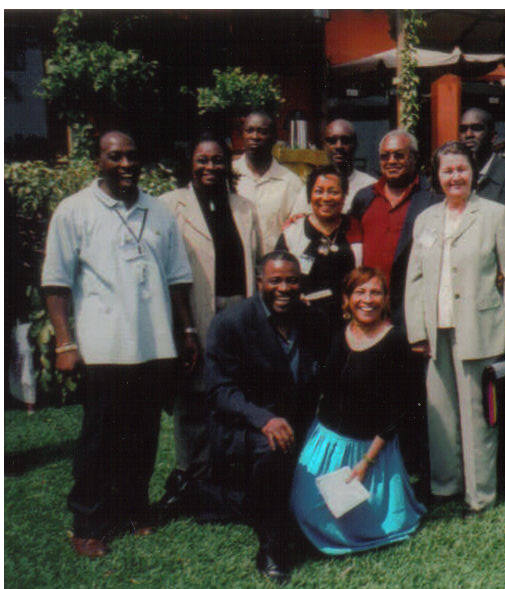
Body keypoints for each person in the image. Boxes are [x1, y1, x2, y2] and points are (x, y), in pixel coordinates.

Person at [41, 130, 198, 557]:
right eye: (115, 157)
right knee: (99, 439)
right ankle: (87, 521)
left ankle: (133, 508)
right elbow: (56, 283)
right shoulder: (74, 210)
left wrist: (186, 331)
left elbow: (178, 278)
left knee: (143, 435)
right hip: (102, 347)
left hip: (154, 345)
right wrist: (64, 343)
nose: (126, 164)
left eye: (132, 156)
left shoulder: (159, 211)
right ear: (98, 162)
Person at [405, 140, 505, 512]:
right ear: (436, 176)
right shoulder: (426, 219)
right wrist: (416, 331)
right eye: (447, 170)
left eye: (461, 169)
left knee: (478, 417)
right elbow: (415, 279)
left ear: (473, 173)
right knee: (440, 414)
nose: (455, 176)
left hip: (480, 329)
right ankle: (445, 486)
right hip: (435, 332)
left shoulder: (495, 215)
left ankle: (481, 494)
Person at [204, 251, 330, 584]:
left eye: (292, 280)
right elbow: (219, 390)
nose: (284, 288)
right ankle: (273, 547)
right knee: (274, 447)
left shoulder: (312, 320)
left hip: (298, 422)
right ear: (260, 281)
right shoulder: (232, 323)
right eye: (275, 280)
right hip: (244, 427)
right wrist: (263, 419)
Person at [158, 132, 262, 514]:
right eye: (203, 160)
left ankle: (228, 473)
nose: (210, 167)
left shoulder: (245, 207)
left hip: (237, 312)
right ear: (191, 162)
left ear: (228, 164)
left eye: (218, 160)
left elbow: (260, 259)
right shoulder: (170, 206)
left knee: (235, 391)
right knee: (193, 395)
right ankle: (191, 474)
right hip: (195, 312)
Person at [291, 266, 426, 554]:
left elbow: (400, 410)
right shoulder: (337, 333)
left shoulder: (396, 342)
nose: (368, 300)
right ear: (347, 299)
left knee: (354, 524)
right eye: (360, 292)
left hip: (368, 449)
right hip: (325, 440)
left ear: (386, 300)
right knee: (304, 509)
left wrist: (367, 461)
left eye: (376, 292)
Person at [349, 129, 441, 326]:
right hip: (370, 307)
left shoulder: (432, 200)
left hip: (412, 308)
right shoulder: (364, 198)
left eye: (399, 155)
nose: (391, 161)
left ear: (414, 158)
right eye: (385, 156)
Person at [276, 165, 360, 331]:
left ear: (344, 197)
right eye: (319, 191)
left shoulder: (356, 229)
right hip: (302, 322)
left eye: (333, 192)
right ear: (309, 196)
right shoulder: (293, 233)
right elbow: (278, 278)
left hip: (348, 322)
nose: (326, 198)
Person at [232, 111, 308, 253]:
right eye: (249, 131)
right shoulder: (229, 175)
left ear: (274, 138)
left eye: (262, 132)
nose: (255, 137)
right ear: (242, 135)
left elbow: (298, 231)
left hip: (275, 267)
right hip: (237, 265)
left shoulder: (291, 182)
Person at [459, 108, 505, 206]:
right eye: (463, 130)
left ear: (493, 137)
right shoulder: (454, 177)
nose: (468, 135)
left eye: (476, 128)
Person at [323, 119, 376, 212]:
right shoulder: (315, 186)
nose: (338, 146)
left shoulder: (371, 186)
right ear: (325, 146)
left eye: (345, 141)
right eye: (332, 141)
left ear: (355, 145)